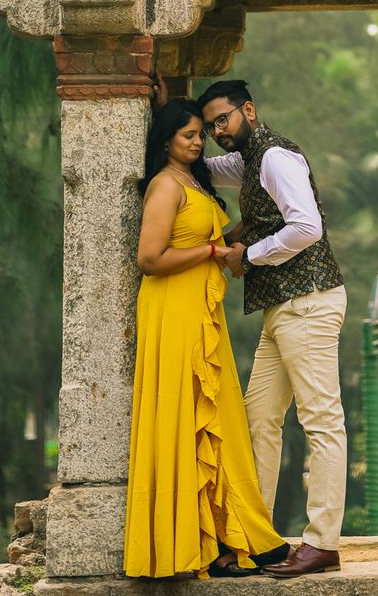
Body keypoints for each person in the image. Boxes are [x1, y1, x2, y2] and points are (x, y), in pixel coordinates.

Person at [124, 97, 290, 580]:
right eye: (189, 135)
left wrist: (255, 223)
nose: (199, 142)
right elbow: (150, 259)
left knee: (216, 417)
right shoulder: (164, 185)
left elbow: (207, 242)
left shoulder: (192, 182)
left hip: (200, 309)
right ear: (167, 141)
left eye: (201, 134)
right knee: (187, 418)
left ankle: (232, 538)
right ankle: (198, 548)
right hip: (172, 311)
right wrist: (213, 249)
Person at [198, 78, 347, 580]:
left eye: (224, 119)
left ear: (249, 110)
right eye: (210, 124)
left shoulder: (276, 157)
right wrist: (169, 119)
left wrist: (248, 255)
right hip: (283, 309)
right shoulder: (246, 158)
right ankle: (255, 538)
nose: (218, 131)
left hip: (308, 303)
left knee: (322, 422)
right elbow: (204, 166)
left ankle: (322, 543)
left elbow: (306, 227)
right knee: (258, 419)